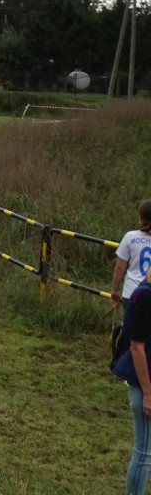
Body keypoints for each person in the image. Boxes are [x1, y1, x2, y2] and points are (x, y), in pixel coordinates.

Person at [112, 265, 151, 493]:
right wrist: (147, 392)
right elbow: (136, 347)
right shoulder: (145, 296)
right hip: (143, 382)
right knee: (144, 451)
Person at [112, 201, 151, 313]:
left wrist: (115, 290)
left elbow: (119, 268)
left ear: (140, 218)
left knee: (132, 328)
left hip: (132, 292)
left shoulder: (130, 237)